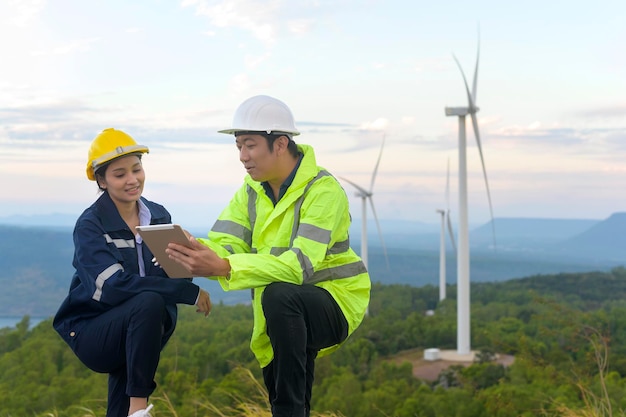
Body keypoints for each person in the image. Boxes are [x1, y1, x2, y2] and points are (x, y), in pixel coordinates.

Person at [165, 95, 371, 417]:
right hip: (280, 306)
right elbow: (227, 242)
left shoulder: (324, 191)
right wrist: (198, 250)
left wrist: (223, 266)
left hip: (336, 301)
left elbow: (300, 266)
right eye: (238, 147)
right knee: (280, 386)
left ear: (280, 144)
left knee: (279, 298)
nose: (243, 157)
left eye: (250, 145)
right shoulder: (252, 190)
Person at [53, 128, 212, 417]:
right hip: (92, 330)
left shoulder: (159, 216)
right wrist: (189, 292)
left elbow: (175, 275)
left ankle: (130, 410)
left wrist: (186, 256)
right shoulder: (91, 225)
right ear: (101, 180)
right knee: (147, 301)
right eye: (119, 174)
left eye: (136, 169)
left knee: (119, 404)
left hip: (144, 331)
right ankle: (140, 409)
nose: (132, 180)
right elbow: (113, 287)